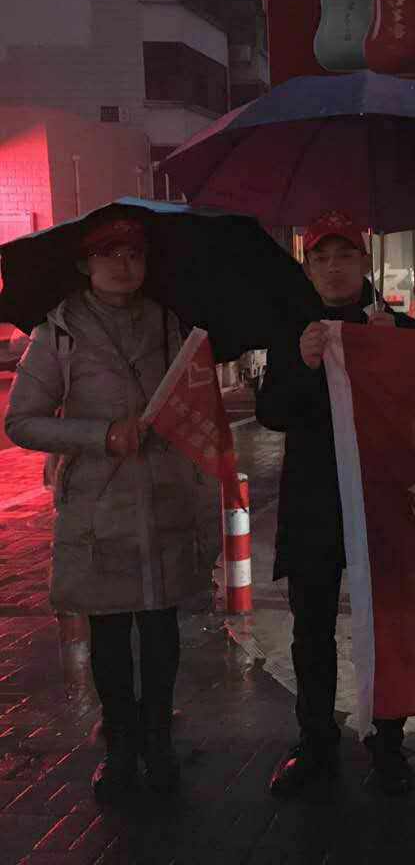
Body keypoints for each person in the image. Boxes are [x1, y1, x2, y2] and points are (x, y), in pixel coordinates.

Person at [4, 217, 220, 802]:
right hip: (99, 508)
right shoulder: (60, 332)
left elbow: (194, 399)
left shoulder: (170, 324)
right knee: (109, 631)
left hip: (165, 498)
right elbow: (21, 421)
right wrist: (101, 435)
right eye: (109, 254)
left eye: (133, 254)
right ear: (85, 265)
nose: (123, 265)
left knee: (161, 628)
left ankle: (158, 743)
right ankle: (121, 749)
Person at [260, 211, 415, 798]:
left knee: (386, 625)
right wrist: (303, 365)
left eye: (345, 256)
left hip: (382, 499)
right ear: (309, 268)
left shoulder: (398, 328)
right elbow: (271, 412)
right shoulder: (293, 332)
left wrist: (393, 356)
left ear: (365, 262)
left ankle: (388, 741)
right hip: (313, 501)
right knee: (311, 628)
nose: (333, 268)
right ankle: (315, 742)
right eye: (321, 258)